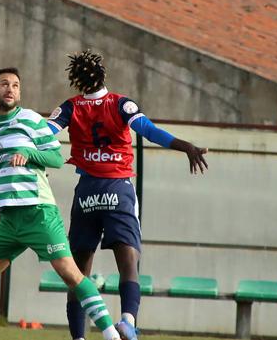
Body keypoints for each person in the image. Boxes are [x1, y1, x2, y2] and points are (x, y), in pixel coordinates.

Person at [0, 67, 123, 340]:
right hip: (8, 221)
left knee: (71, 275)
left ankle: (111, 335)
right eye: (4, 84)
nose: (10, 88)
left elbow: (55, 158)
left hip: (39, 213)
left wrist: (28, 152)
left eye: (15, 84)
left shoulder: (31, 121)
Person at [47, 50, 209, 340]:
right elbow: (149, 130)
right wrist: (187, 147)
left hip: (86, 193)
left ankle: (78, 337)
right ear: (103, 75)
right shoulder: (122, 104)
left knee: (77, 273)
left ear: (76, 80)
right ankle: (127, 321)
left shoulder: (70, 107)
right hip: (117, 190)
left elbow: (45, 132)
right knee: (129, 264)